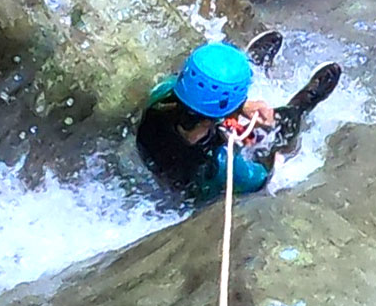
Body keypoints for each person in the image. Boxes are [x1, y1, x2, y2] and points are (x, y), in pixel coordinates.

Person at [135, 36, 341, 202]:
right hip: (198, 184)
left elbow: (194, 103)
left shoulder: (162, 96)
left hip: (164, 159)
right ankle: (303, 104)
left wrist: (239, 107)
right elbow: (259, 178)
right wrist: (270, 159)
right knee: (276, 131)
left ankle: (240, 71)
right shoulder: (223, 166)